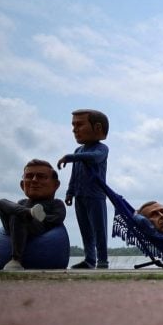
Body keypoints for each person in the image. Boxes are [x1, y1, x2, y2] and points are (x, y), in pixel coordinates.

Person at [58, 109, 110, 269]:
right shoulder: (78, 151)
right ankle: (89, 259)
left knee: (99, 229)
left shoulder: (101, 149)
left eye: (79, 125)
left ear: (98, 128)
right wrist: (70, 192)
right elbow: (74, 175)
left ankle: (103, 260)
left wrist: (70, 158)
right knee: (85, 230)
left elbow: (95, 158)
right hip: (80, 196)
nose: (75, 130)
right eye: (73, 125)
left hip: (95, 196)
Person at [0, 159, 67, 271]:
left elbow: (57, 218)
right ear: (22, 184)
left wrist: (40, 218)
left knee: (17, 216)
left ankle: (16, 259)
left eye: (41, 176)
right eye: (29, 176)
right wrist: (29, 213)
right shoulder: (22, 202)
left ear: (55, 185)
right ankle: (29, 212)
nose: (34, 180)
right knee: (1, 202)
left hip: (37, 227)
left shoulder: (56, 203)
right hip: (13, 228)